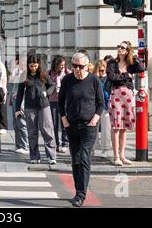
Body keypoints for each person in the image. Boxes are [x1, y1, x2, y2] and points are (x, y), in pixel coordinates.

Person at [58, 52, 104, 207]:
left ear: (87, 66)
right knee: (75, 160)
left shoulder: (94, 80)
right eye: (74, 66)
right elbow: (60, 103)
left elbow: (101, 103)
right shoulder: (67, 80)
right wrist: (64, 120)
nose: (77, 69)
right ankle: (79, 190)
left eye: (80, 66)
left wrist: (95, 119)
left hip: (89, 126)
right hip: (71, 125)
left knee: (84, 157)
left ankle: (80, 195)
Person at [106, 41, 144, 166]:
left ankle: (122, 156)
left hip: (128, 96)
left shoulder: (130, 63)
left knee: (124, 128)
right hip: (116, 95)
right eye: (119, 47)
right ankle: (116, 156)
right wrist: (126, 76)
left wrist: (135, 57)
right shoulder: (112, 63)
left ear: (127, 50)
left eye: (122, 47)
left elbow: (141, 68)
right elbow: (112, 77)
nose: (119, 49)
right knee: (116, 126)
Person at [15, 55, 57, 165]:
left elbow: (52, 85)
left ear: (38, 65)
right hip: (30, 107)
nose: (33, 68)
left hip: (44, 106)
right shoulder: (24, 76)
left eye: (35, 66)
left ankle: (51, 156)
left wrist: (47, 93)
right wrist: (17, 109)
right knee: (32, 132)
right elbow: (19, 94)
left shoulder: (43, 74)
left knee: (47, 130)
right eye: (31, 66)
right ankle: (34, 156)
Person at [48, 55, 71, 153]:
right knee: (54, 124)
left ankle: (65, 143)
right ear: (55, 64)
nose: (62, 67)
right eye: (60, 65)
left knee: (64, 123)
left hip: (64, 101)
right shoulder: (50, 73)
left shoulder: (67, 73)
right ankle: (56, 143)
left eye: (63, 65)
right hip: (53, 100)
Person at [10, 55, 29, 154]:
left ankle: (25, 145)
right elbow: (13, 85)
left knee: (21, 122)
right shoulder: (17, 71)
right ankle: (18, 145)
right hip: (14, 98)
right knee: (15, 123)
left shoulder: (26, 73)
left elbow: (27, 87)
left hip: (22, 99)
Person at [93, 60, 112, 157]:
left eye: (103, 69)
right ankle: (93, 147)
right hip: (94, 106)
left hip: (105, 105)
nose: (102, 71)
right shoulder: (93, 78)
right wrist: (96, 76)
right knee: (93, 127)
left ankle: (106, 147)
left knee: (106, 128)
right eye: (99, 69)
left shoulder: (108, 78)